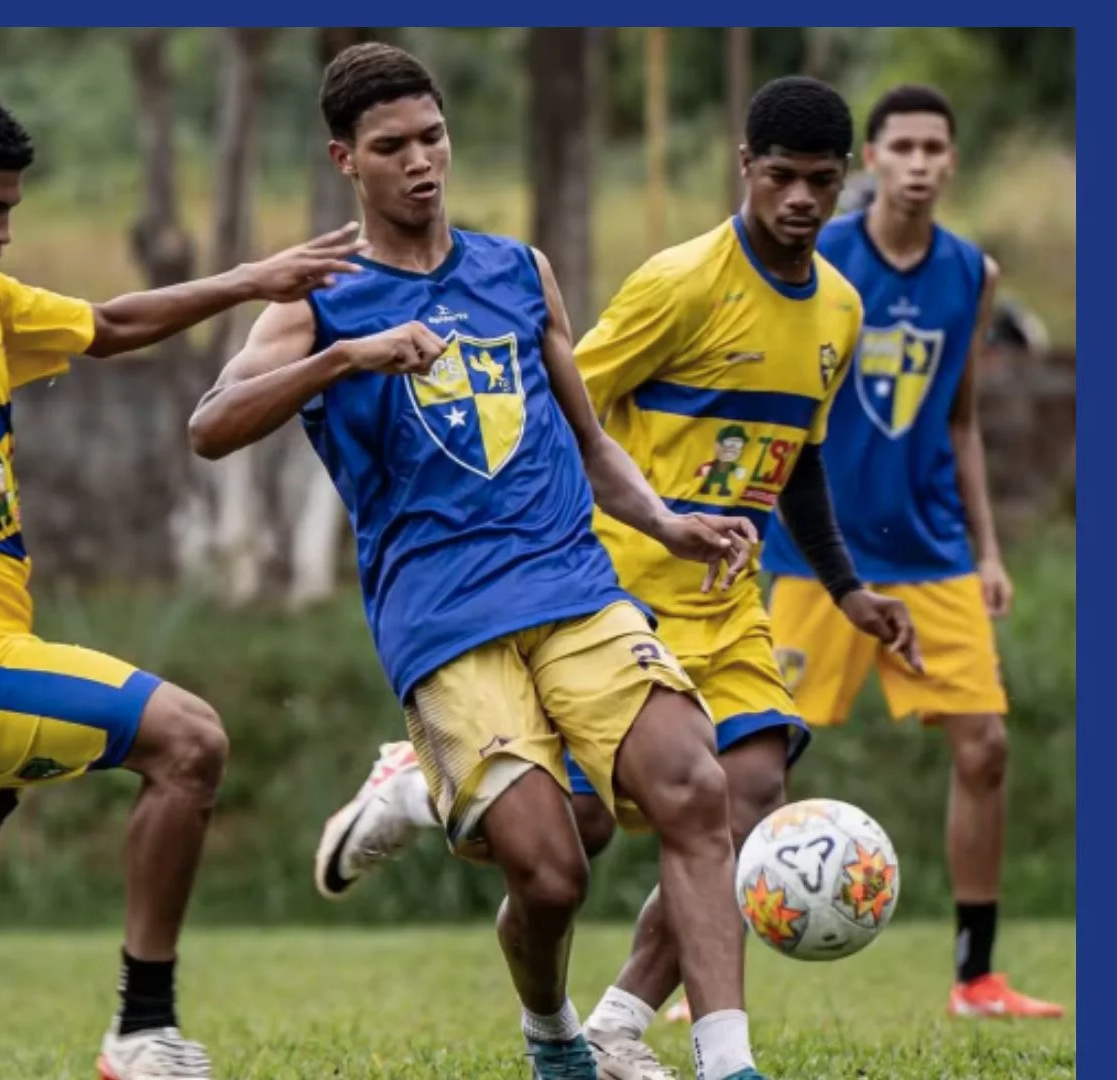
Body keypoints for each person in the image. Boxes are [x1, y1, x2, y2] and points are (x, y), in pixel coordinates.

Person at [309, 76, 923, 1080]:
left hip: (728, 597)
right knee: (571, 841)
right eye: (782, 178)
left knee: (744, 794)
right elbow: (561, 408)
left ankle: (630, 1026)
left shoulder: (841, 310)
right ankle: (424, 785)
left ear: (844, 181)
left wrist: (846, 584)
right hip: (619, 583)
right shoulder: (681, 282)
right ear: (745, 171)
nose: (802, 199)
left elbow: (797, 456)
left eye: (821, 181)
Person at [189, 43, 778, 1080]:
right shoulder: (319, 298)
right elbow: (210, 424)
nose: (420, 162)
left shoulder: (518, 270)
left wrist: (670, 523)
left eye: (432, 137)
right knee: (552, 876)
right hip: (445, 617)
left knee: (696, 789)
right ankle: (552, 1032)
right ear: (344, 160)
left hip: (573, 585)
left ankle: (730, 1064)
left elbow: (591, 443)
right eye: (390, 147)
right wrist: (345, 358)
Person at [0, 81, 368, 1080]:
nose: (6, 233)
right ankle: (140, 1031)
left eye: (13, 210)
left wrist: (251, 280)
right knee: (190, 743)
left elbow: (107, 324)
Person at [758, 83, 1064, 1021]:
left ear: (951, 161)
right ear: (873, 161)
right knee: (759, 760)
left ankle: (976, 976)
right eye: (905, 147)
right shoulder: (818, 255)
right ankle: (707, 968)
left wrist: (987, 550)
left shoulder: (972, 272)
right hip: (817, 555)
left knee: (985, 746)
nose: (922, 163)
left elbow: (961, 421)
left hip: (930, 552)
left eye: (938, 147)